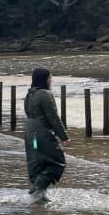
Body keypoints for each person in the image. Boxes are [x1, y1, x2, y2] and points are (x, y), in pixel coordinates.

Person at [24, 68, 70, 203]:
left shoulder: (30, 94)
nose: (51, 80)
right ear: (44, 79)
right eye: (50, 77)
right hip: (42, 133)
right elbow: (53, 118)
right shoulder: (45, 94)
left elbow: (28, 112)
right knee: (58, 161)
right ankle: (38, 188)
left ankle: (39, 196)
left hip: (30, 134)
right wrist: (64, 137)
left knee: (36, 161)